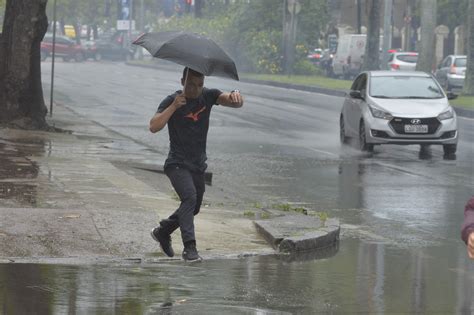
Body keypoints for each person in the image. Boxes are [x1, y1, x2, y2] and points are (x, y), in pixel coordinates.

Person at [149, 67, 244, 261]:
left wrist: (236, 96)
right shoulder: (172, 100)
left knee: (195, 206)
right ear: (182, 81)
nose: (195, 89)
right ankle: (190, 248)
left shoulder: (207, 96)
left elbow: (229, 100)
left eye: (199, 85)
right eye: (191, 84)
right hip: (176, 163)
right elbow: (153, 126)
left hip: (198, 165)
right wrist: (174, 107)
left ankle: (163, 230)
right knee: (189, 198)